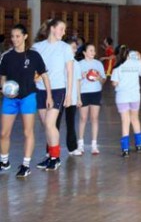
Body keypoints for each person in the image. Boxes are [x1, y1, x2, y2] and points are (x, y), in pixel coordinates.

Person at [0, 24, 51, 178]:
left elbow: (44, 76)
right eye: (12, 36)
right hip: (10, 99)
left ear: (25, 36)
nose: (14, 39)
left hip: (28, 97)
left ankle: (26, 165)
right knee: (4, 133)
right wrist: (3, 88)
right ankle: (4, 162)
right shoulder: (7, 57)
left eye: (18, 36)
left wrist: (49, 95)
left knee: (27, 132)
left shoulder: (34, 56)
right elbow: (2, 77)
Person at [32, 18, 74, 171]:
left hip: (57, 90)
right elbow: (33, 69)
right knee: (46, 126)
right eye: (61, 29)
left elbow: (70, 72)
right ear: (52, 29)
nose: (64, 32)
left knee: (50, 124)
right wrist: (34, 77)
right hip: (40, 90)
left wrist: (69, 95)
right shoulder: (37, 47)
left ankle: (55, 158)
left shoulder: (65, 48)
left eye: (64, 29)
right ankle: (51, 156)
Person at [111, 46, 141, 157]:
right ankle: (139, 145)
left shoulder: (117, 67)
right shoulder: (136, 62)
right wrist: (140, 59)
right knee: (135, 118)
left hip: (122, 97)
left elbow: (114, 83)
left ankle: (125, 149)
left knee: (125, 121)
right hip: (135, 96)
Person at [55, 38, 83, 157]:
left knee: (71, 123)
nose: (75, 50)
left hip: (72, 98)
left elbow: (78, 81)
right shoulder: (58, 62)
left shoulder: (76, 64)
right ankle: (51, 150)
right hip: (59, 96)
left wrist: (78, 98)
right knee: (54, 124)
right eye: (73, 47)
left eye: (76, 48)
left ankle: (72, 148)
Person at [78, 43, 107, 155]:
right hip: (83, 93)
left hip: (96, 93)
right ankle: (80, 144)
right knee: (83, 118)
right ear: (84, 52)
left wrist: (99, 78)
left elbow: (103, 80)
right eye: (90, 50)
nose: (93, 52)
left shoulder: (98, 64)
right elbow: (76, 81)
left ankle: (94, 145)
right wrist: (82, 76)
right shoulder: (79, 64)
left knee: (94, 118)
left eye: (94, 50)